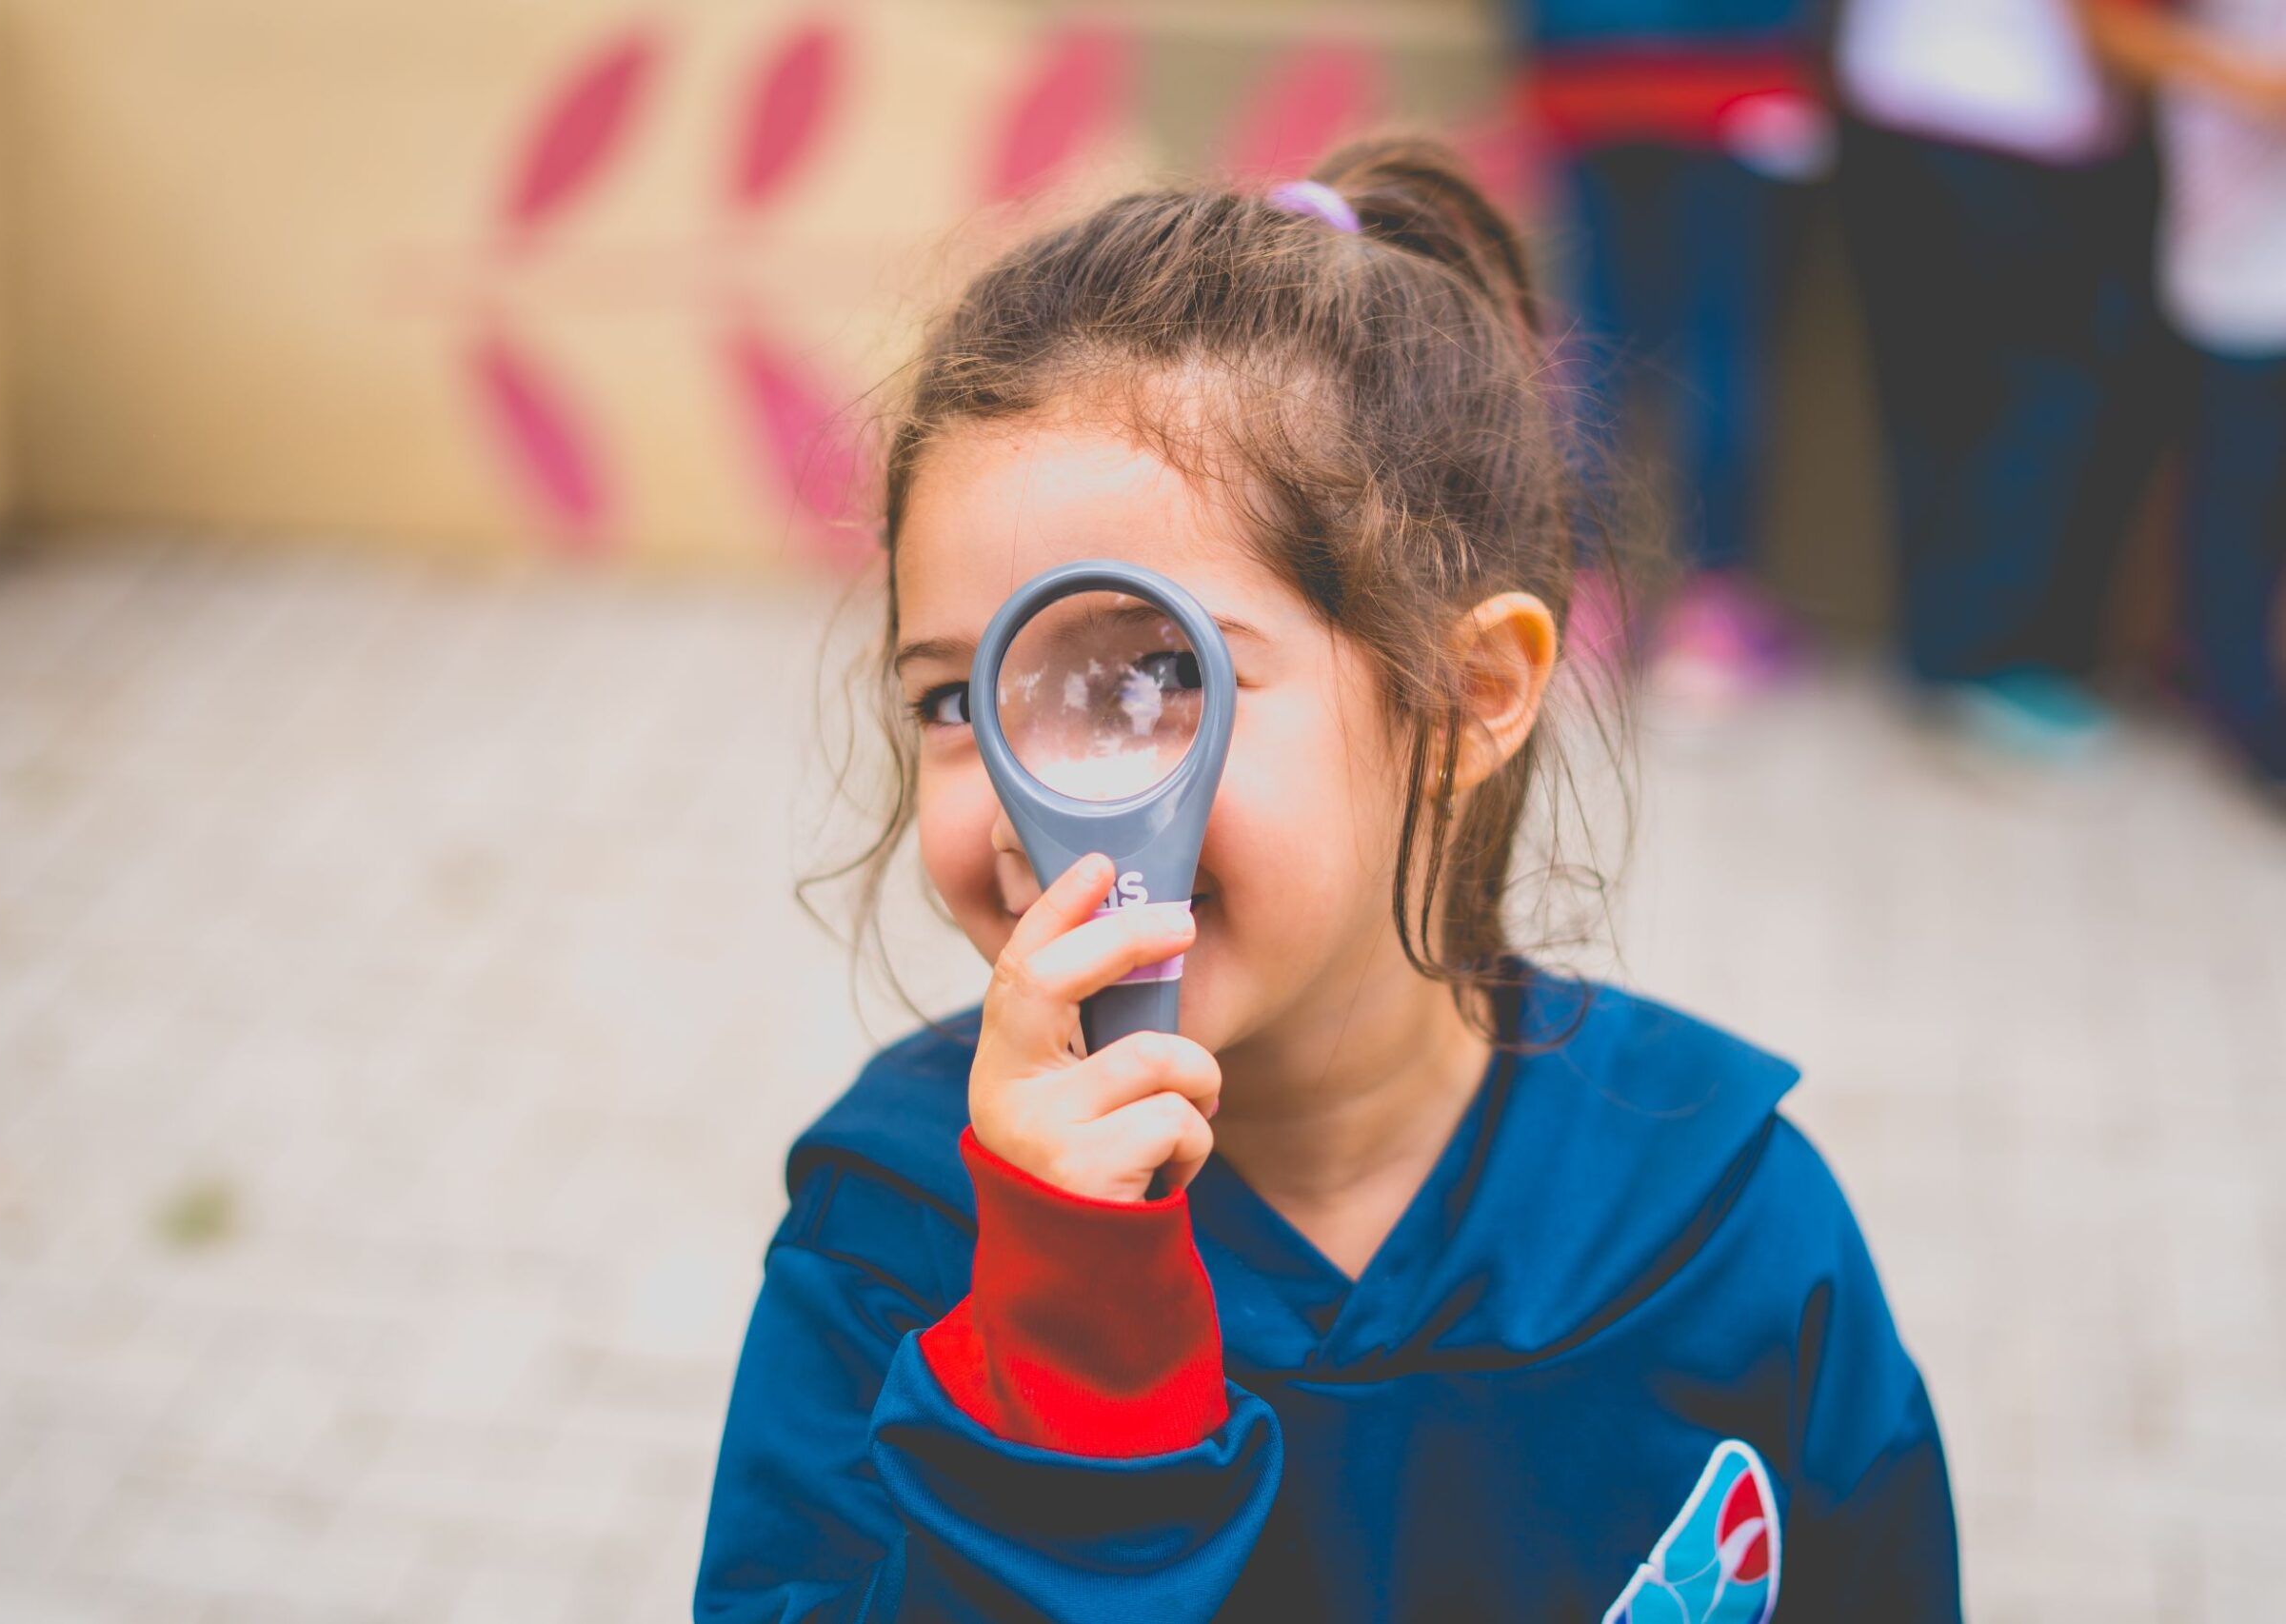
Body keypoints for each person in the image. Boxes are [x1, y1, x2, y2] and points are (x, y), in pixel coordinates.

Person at [694, 136, 1961, 1620]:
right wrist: (1059, 1355)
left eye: (1154, 676)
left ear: (1468, 693)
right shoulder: (904, 1231)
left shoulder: (1725, 1223)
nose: (1044, 802)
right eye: (953, 699)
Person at [1833, 0, 2174, 756]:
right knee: (2050, 393)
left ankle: (1940, 651)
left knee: (1934, 394)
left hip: (1893, 102)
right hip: (2014, 131)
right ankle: (1976, 656)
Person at [1521, 0, 1832, 706]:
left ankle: (1589, 609)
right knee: (1723, 337)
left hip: (1585, 60)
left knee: (1595, 338)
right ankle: (1710, 614)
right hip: (1731, 66)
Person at [2077, 0, 2286, 790]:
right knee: (2236, 494)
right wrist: (2251, 82)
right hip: (2237, 251)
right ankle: (2240, 705)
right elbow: (2111, 28)